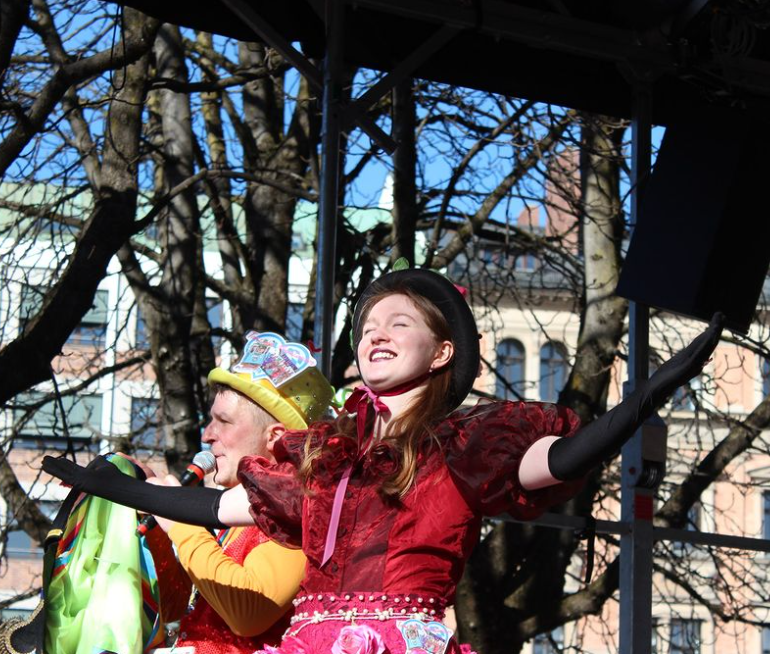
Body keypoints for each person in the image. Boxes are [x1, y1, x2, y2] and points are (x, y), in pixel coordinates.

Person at [43, 269, 724, 654]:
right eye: (369, 326)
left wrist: (644, 400)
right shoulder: (327, 457)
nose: (377, 334)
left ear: (444, 350)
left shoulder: (463, 447)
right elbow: (219, 507)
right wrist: (117, 490)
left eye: (399, 323)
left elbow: (559, 458)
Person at [138, 331, 335, 654]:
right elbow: (173, 610)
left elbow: (248, 613)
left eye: (223, 421)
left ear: (275, 436)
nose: (207, 435)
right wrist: (157, 540)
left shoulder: (297, 514)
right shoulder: (232, 524)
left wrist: (179, 521)